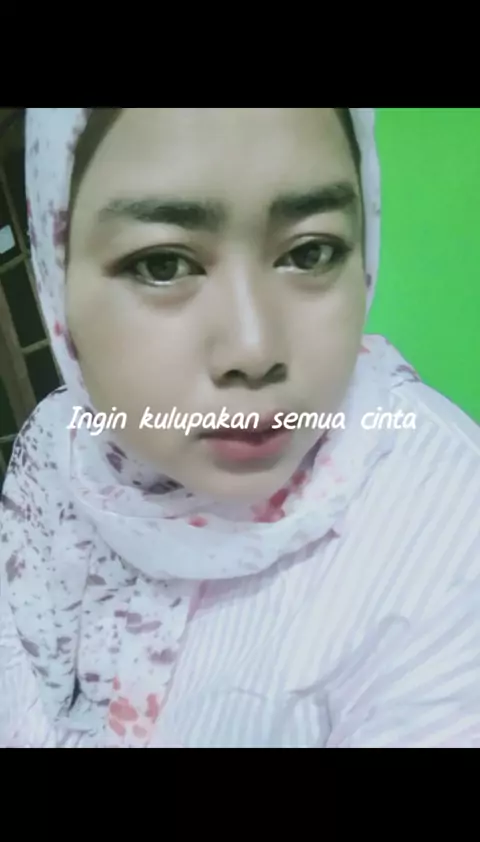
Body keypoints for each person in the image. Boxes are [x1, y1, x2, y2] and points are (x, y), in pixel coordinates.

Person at [0, 108, 479, 749]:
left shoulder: (445, 529)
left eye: (310, 252)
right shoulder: (54, 450)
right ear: (55, 282)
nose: (254, 351)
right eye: (162, 265)